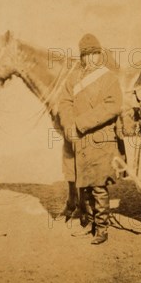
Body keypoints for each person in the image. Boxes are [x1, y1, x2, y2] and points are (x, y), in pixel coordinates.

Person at [58, 34, 123, 245]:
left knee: (98, 185)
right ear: (82, 57)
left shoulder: (109, 78)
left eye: (96, 54)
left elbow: (112, 106)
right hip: (79, 140)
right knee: (83, 184)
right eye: (88, 55)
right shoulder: (73, 78)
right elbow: (64, 103)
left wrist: (81, 123)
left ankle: (102, 229)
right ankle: (89, 223)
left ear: (100, 55)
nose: (92, 59)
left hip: (100, 139)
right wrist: (69, 125)